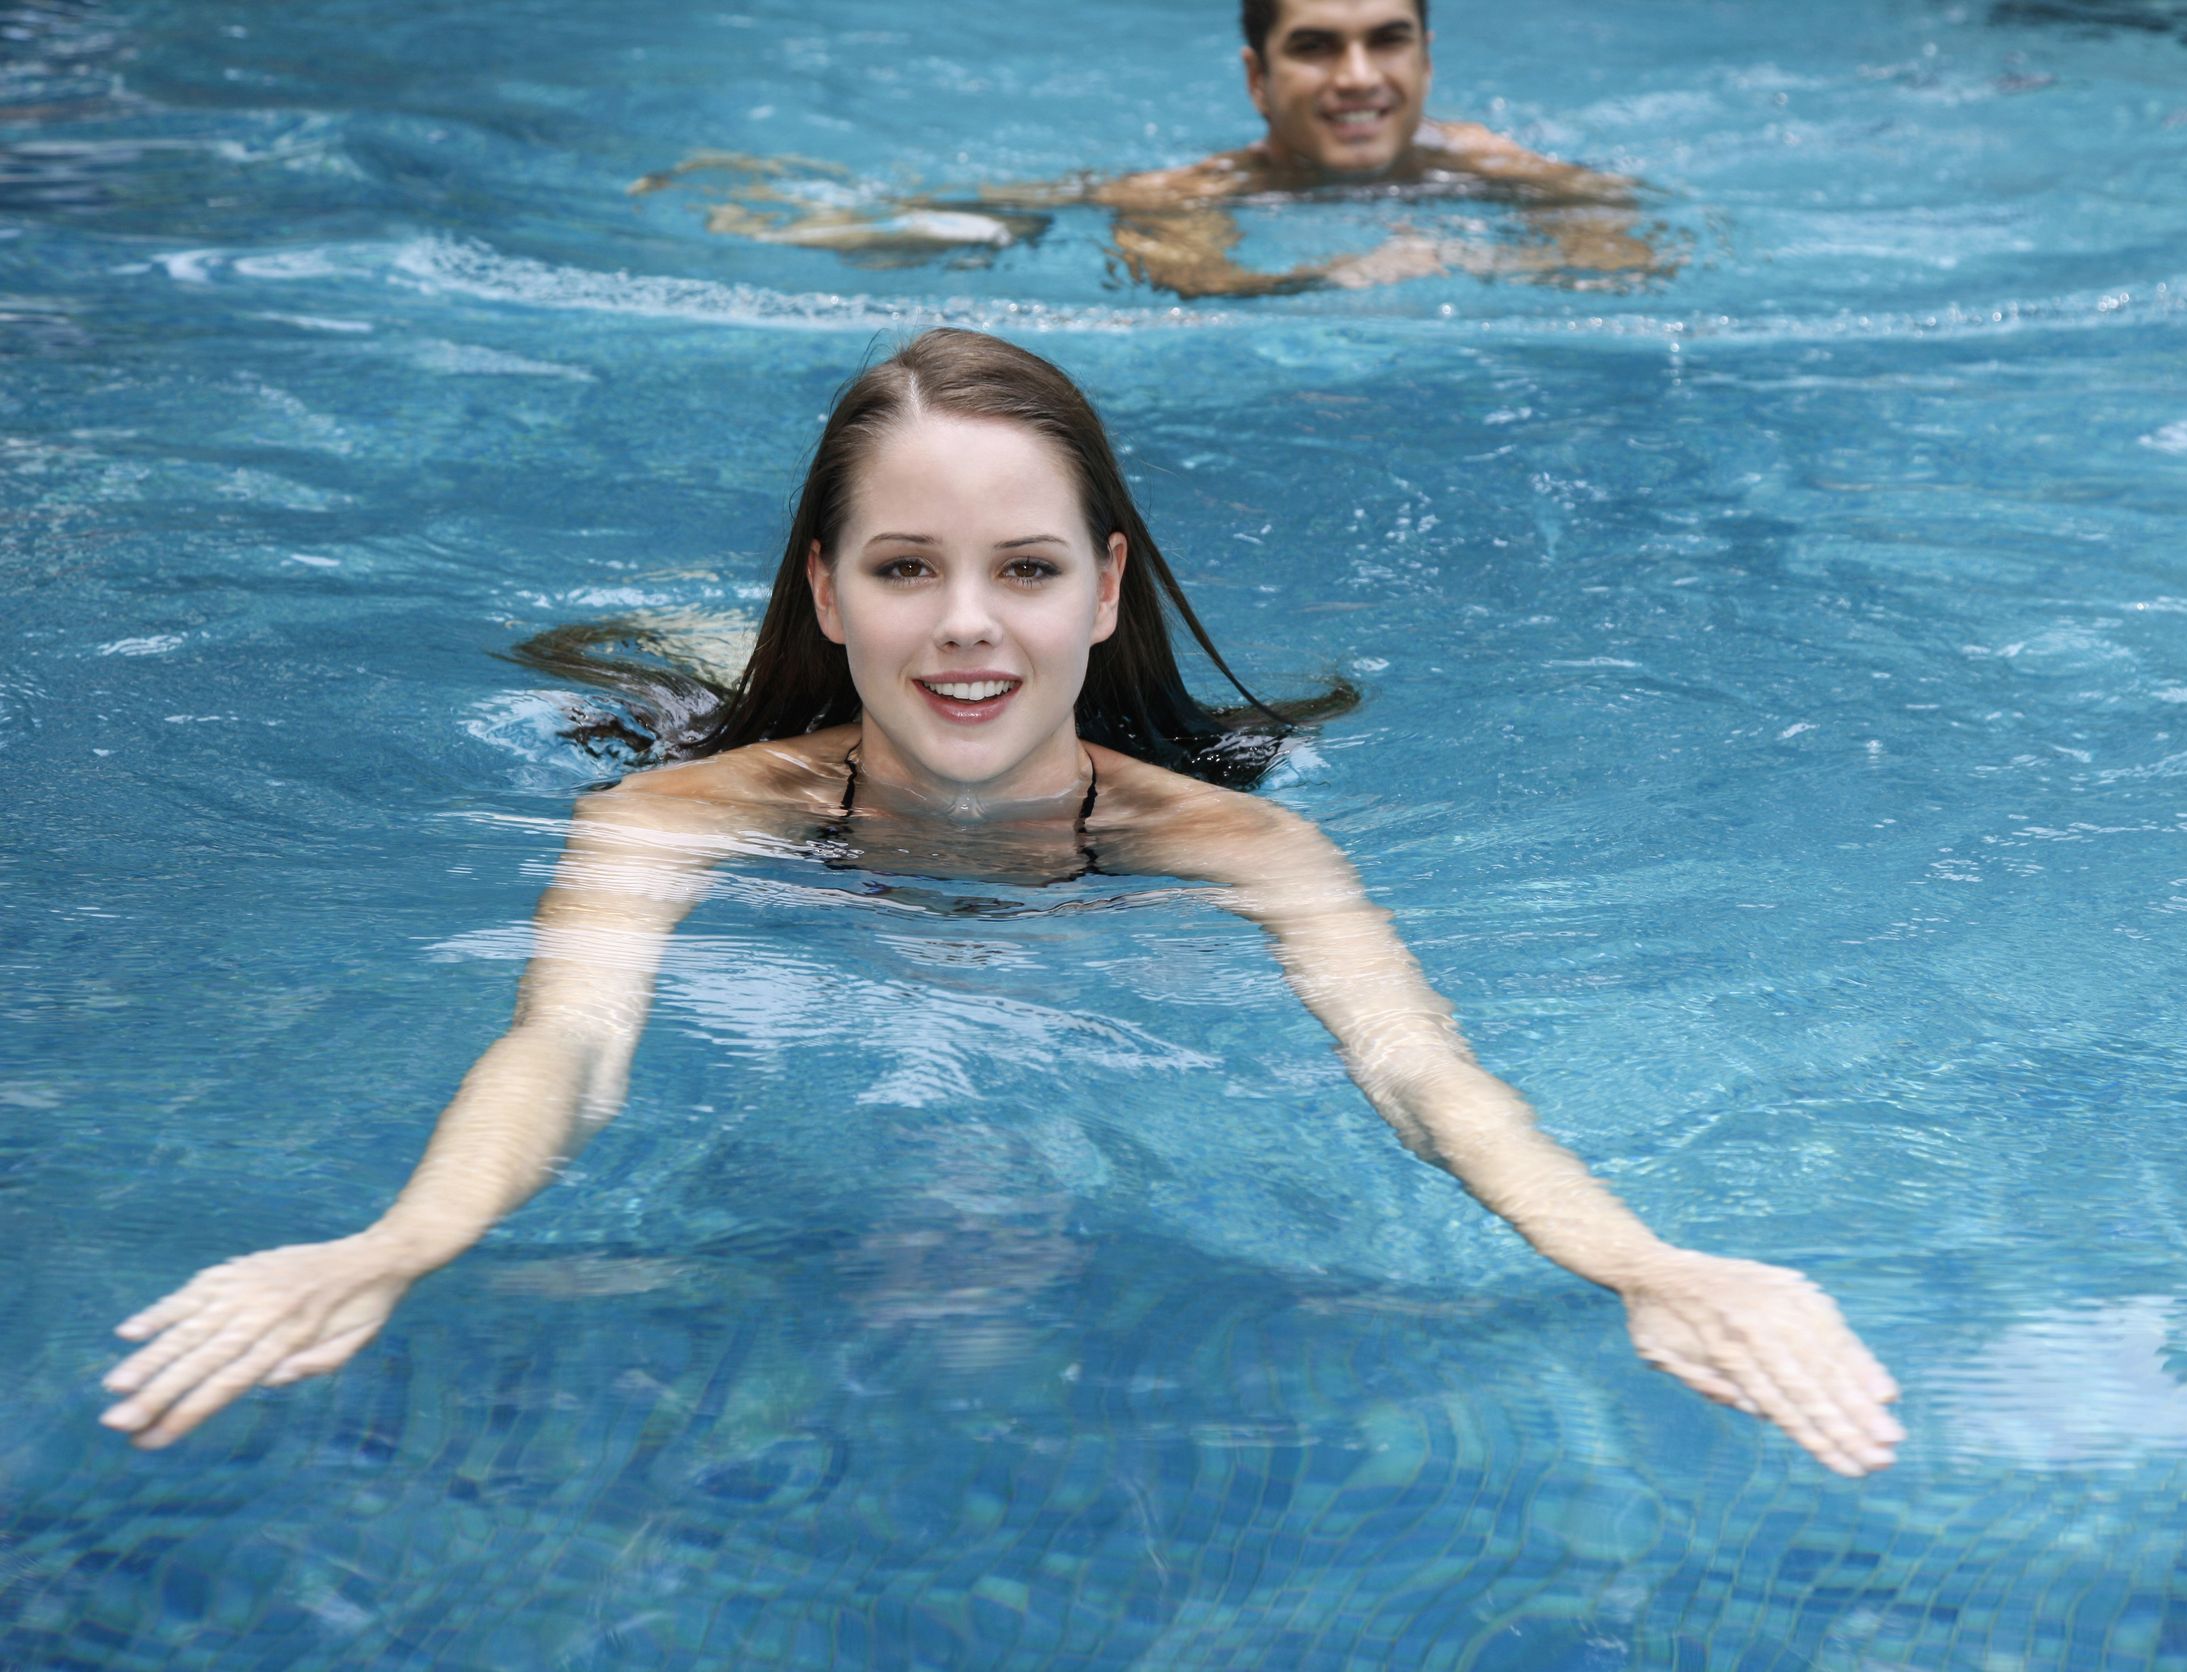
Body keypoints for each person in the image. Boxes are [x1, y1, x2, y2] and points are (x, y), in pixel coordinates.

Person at [100, 330, 1900, 1477]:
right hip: (748, 733)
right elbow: (561, 1050)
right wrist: (397, 1240)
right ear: (826, 579)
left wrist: (1642, 1260)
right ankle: (702, 635)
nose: (966, 622)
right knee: (644, 668)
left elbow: (1428, 1080)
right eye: (903, 570)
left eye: (1024, 571)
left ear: (1108, 591)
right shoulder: (672, 812)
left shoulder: (1242, 844)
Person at [633, 0, 1684, 297]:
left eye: (1386, 40)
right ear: (1257, 78)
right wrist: (1337, 275)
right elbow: (1193, 278)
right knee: (974, 223)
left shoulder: (1490, 165)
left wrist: (1499, 256)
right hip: (1085, 199)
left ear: (1426, 58)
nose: (1359, 75)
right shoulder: (1192, 188)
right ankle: (781, 205)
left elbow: (1635, 255)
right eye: (1316, 47)